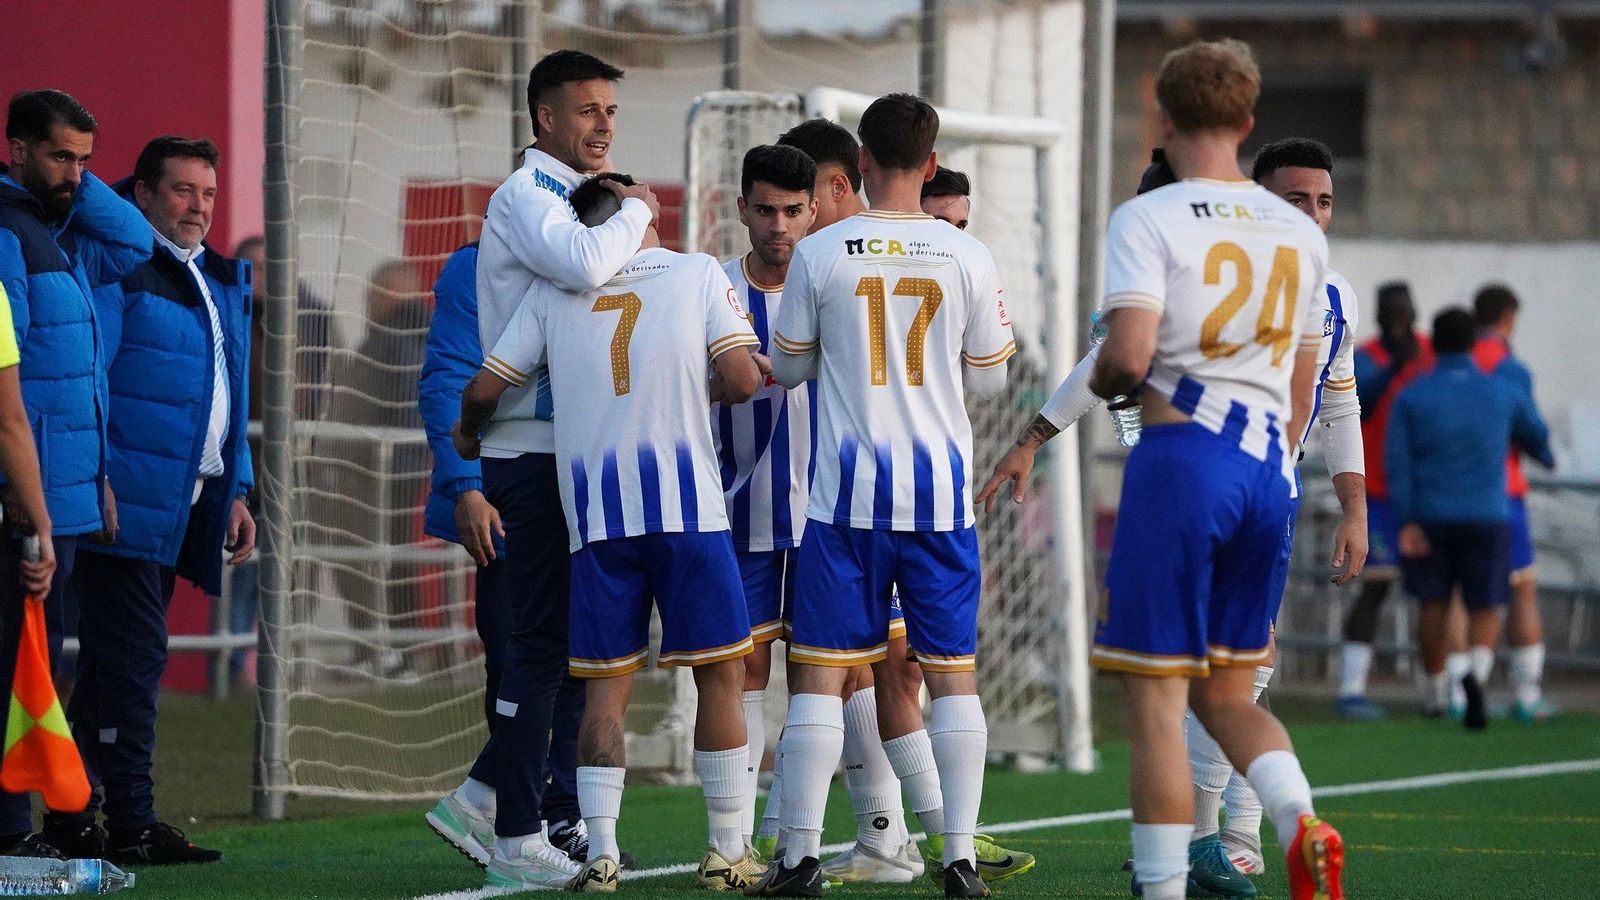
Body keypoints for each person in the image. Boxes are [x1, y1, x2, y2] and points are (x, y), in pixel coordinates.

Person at [1028, 39, 1339, 900]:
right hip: (1267, 474)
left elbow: (1124, 356)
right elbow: (1300, 378)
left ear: (1162, 121)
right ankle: (1299, 820)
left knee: (1159, 707)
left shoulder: (1149, 218)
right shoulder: (1298, 232)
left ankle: (1163, 889)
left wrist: (1120, 385)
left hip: (1181, 462)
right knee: (1232, 693)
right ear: (1246, 122)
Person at [455, 172, 767, 893]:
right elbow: (746, 381)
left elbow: (482, 390)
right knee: (720, 674)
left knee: (604, 695)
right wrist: (696, 381)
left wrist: (469, 436)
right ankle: (726, 851)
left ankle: (600, 854)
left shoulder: (552, 292)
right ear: (634, 217)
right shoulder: (694, 274)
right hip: (688, 514)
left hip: (596, 522)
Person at [757, 93, 1016, 900]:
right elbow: (993, 375)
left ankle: (797, 859)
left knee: (821, 680)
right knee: (951, 679)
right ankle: (959, 858)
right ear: (931, 165)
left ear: (860, 163)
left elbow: (790, 369)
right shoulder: (967, 255)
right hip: (939, 502)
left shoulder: (823, 253)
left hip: (844, 503)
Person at [437, 48, 661, 890]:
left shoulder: (573, 202)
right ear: (544, 120)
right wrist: (638, 211)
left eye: (610, 111)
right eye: (586, 110)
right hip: (527, 454)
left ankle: (491, 797)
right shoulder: (526, 195)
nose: (603, 124)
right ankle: (515, 833)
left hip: (575, 451)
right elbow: (584, 264)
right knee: (537, 646)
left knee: (573, 647)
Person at [58, 136, 254, 865]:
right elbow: (89, 376)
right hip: (124, 503)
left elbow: (225, 395)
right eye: (182, 191)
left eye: (207, 194)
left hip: (182, 502)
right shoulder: (120, 264)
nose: (198, 207)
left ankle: (75, 810)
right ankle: (131, 821)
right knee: (136, 659)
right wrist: (97, 475)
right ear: (141, 194)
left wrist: (236, 487)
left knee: (115, 665)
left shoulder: (214, 276)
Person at [0, 89, 151, 858]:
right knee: (16, 670)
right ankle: (11, 832)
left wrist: (71, 186)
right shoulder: (7, 234)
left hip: (65, 494)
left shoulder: (56, 231)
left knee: (40, 666)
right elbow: (8, 383)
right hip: (29, 501)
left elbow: (134, 244)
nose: (74, 173)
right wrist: (25, 505)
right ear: (16, 147)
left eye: (86, 161)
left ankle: (44, 822)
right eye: (60, 155)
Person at [711, 145, 819, 860]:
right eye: (765, 209)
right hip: (736, 513)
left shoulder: (835, 280)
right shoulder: (711, 287)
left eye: (792, 211)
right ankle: (736, 842)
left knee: (820, 675)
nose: (778, 225)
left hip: (825, 519)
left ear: (813, 210)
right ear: (742, 208)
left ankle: (789, 836)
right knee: (743, 671)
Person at [1389, 307, 1553, 731]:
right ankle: (1473, 680)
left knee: (1433, 602)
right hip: (1487, 512)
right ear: (1471, 343)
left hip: (1430, 515)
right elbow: (1536, 435)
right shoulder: (1500, 390)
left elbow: (1398, 466)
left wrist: (1407, 520)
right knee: (1485, 602)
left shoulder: (1412, 396)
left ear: (1435, 344)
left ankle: (1435, 692)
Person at [417, 240, 512, 867]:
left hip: (586, 491)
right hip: (510, 490)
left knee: (578, 662)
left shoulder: (600, 254)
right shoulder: (477, 266)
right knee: (516, 656)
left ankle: (545, 815)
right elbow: (450, 376)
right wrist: (466, 485)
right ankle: (511, 814)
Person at [309, 258, 429, 675]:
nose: (368, 302)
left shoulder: (394, 342)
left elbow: (388, 409)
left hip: (381, 472)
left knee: (383, 557)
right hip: (394, 469)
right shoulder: (407, 337)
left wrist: (349, 453)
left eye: (376, 294)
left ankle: (396, 652)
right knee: (381, 557)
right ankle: (387, 649)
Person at [1336, 282, 1434, 718]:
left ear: (1415, 310)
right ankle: (1350, 688)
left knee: (1437, 591)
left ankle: (1441, 690)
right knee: (1375, 587)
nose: (1398, 318)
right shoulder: (1369, 357)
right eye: (1389, 311)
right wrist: (1395, 365)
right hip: (1377, 492)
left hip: (1429, 494)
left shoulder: (1433, 352)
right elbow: (1360, 404)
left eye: (1404, 309)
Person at [1471, 284, 1556, 722]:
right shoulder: (1509, 368)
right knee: (1521, 588)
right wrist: (1545, 454)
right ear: (1507, 316)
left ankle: (1459, 691)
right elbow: (1531, 428)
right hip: (1502, 492)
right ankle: (1526, 693)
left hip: (1451, 492)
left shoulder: (1453, 360)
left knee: (1457, 594)